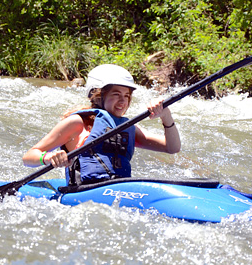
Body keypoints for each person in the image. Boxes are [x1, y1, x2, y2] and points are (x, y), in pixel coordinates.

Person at [22, 64, 181, 185]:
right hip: (82, 191)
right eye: (116, 94)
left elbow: (172, 147)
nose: (123, 101)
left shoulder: (128, 128)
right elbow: (29, 157)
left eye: (126, 96)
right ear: (97, 96)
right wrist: (49, 157)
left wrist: (166, 115)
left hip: (119, 188)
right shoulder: (78, 123)